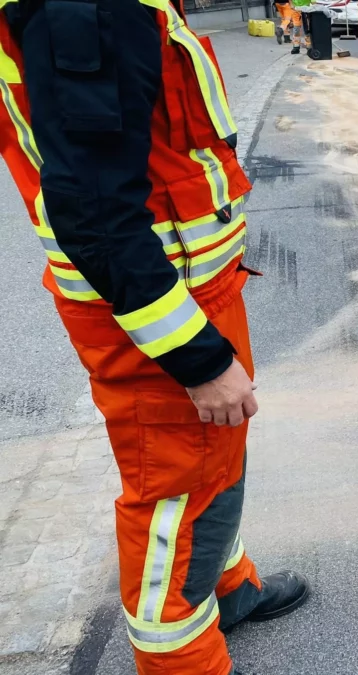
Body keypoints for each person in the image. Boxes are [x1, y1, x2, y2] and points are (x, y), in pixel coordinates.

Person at [0, 0, 310, 672]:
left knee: (217, 455)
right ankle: (182, 660)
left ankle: (225, 588)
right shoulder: (82, 9)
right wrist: (197, 359)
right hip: (156, 311)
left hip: (192, 289)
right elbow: (94, 216)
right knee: (173, 490)